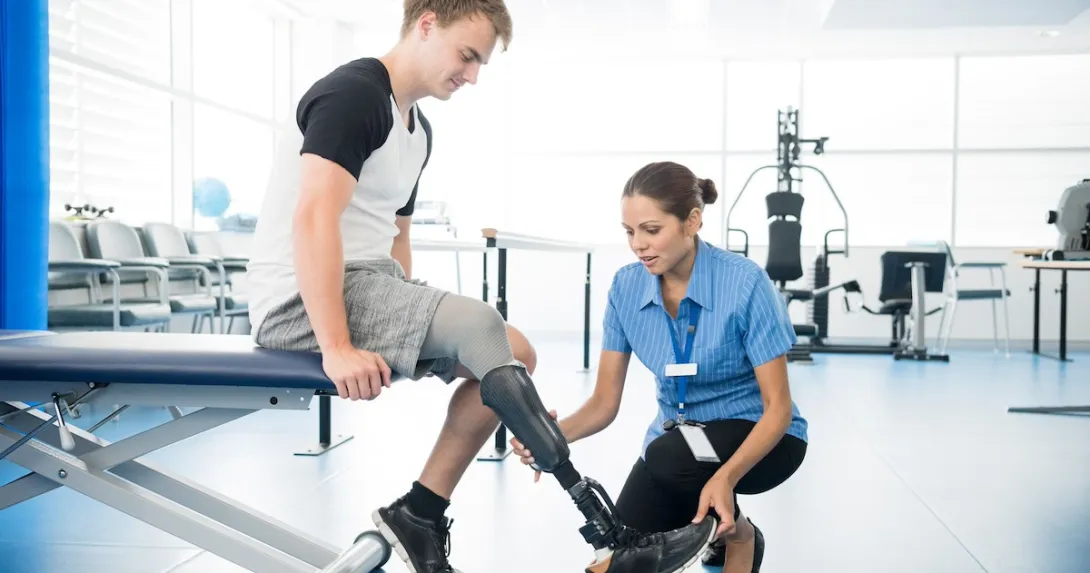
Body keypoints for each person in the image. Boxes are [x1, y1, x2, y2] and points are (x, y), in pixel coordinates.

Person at [244, 2, 719, 572]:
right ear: (426, 25)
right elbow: (313, 218)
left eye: (480, 64)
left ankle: (419, 513)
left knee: (515, 351)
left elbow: (395, 236)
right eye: (467, 56)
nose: (471, 75)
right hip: (299, 297)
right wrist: (338, 345)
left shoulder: (417, 130)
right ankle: (610, 534)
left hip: (365, 284)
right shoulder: (354, 94)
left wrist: (413, 305)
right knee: (481, 326)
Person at [512, 161, 809, 573]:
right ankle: (723, 527)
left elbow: (779, 408)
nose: (638, 245)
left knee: (668, 454)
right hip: (675, 448)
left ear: (692, 221)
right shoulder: (626, 287)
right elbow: (603, 402)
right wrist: (551, 438)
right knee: (624, 558)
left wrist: (725, 479)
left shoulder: (745, 283)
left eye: (652, 231)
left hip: (761, 438)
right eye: (629, 232)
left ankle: (739, 534)